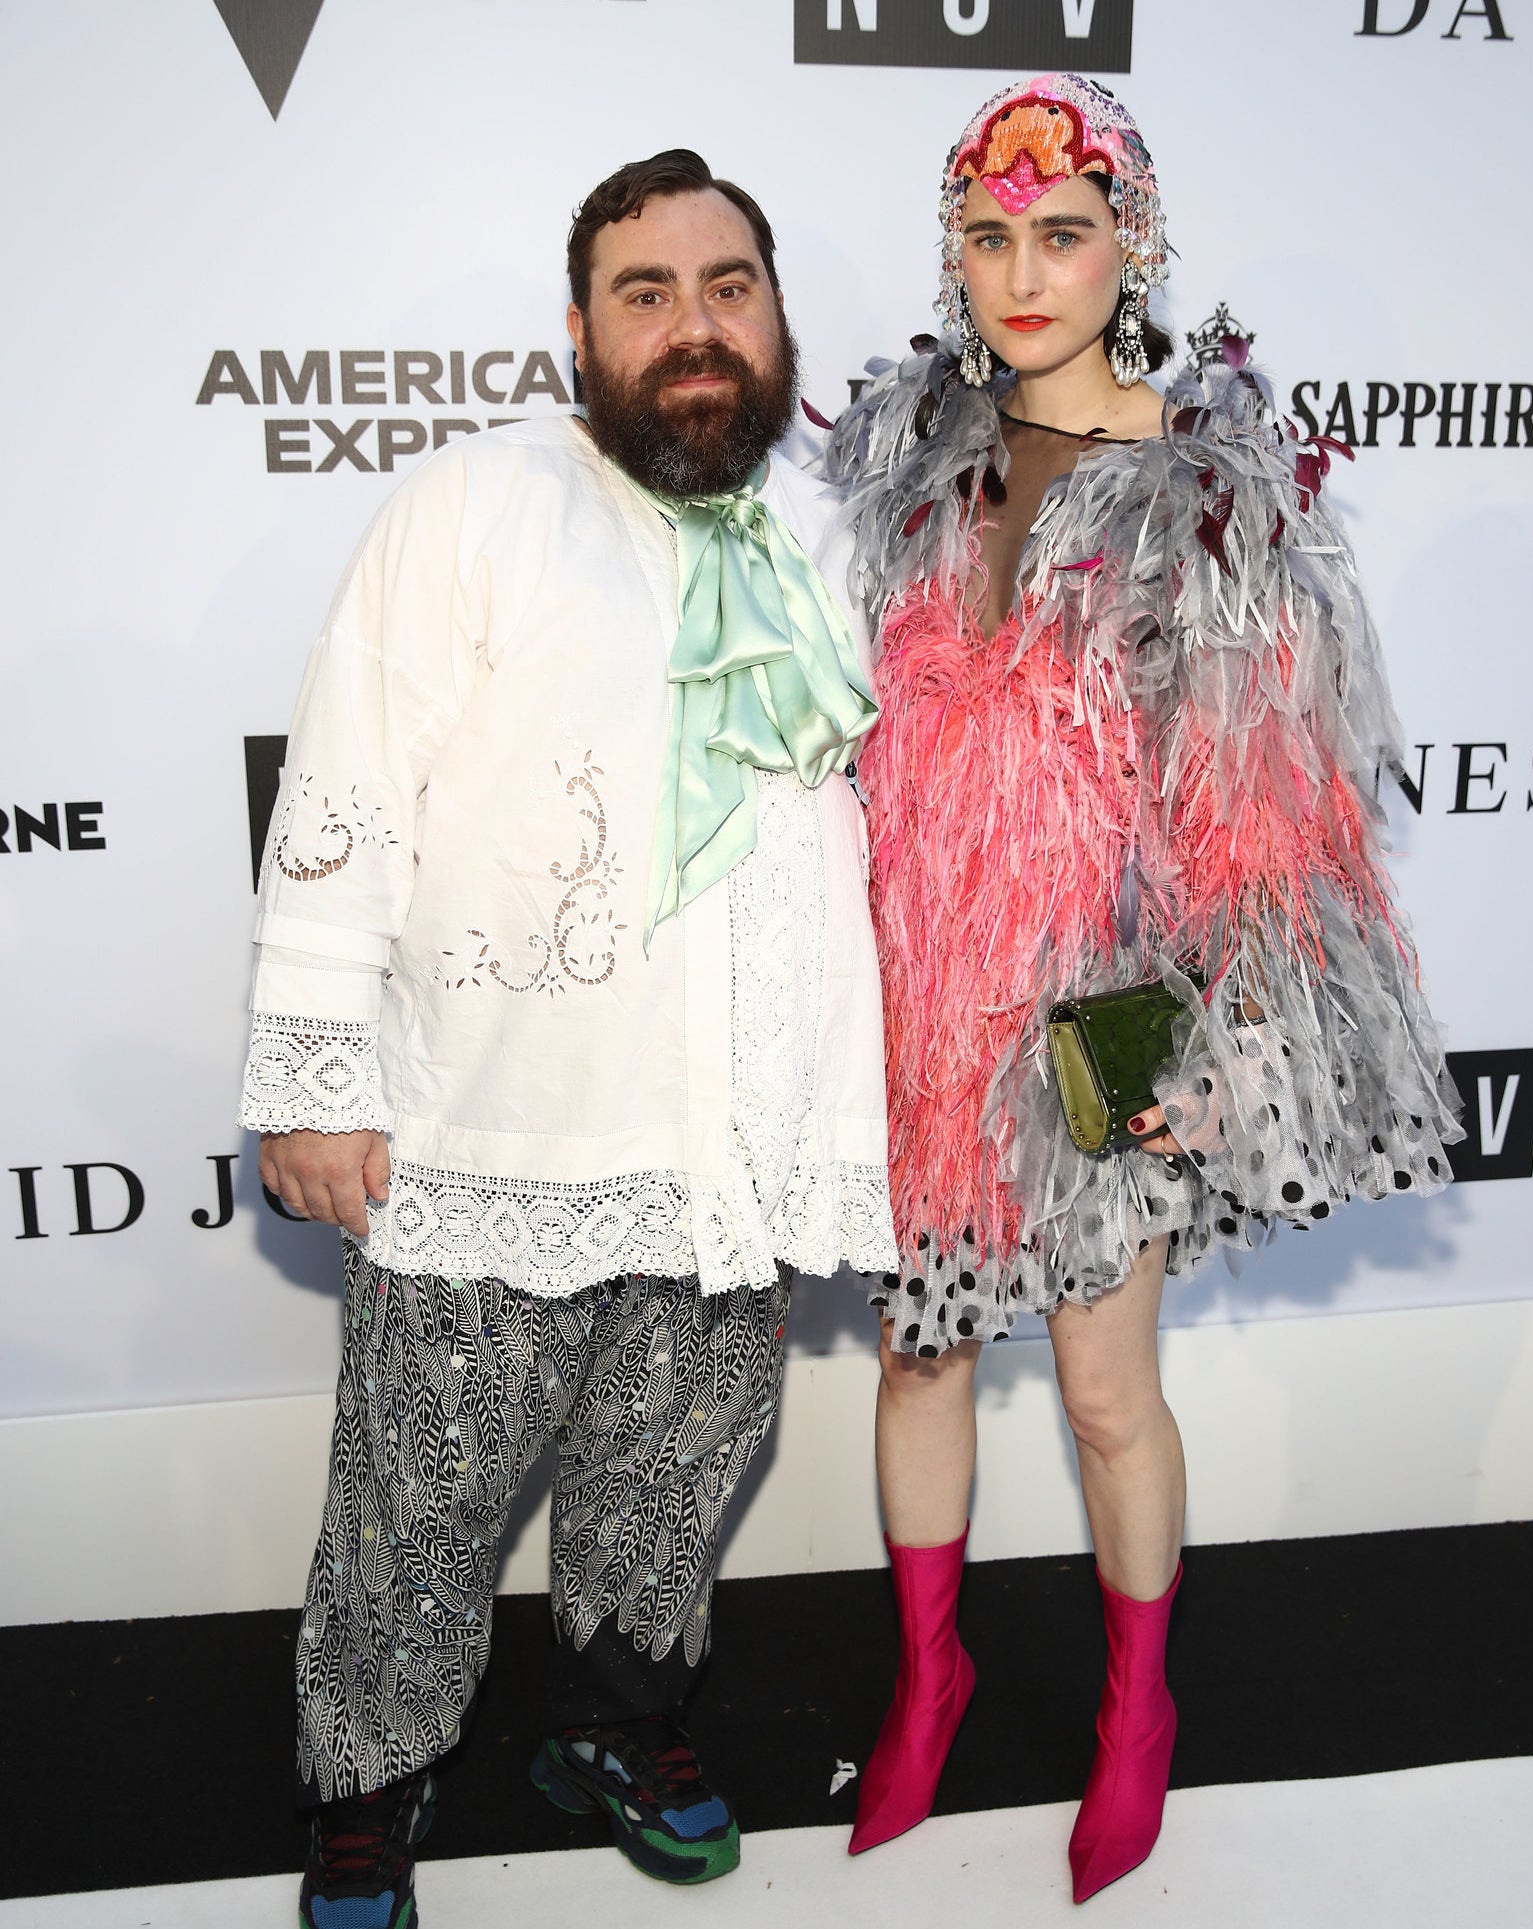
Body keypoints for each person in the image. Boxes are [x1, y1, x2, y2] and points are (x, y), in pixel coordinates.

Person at [825, 74, 1461, 1902]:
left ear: (1136, 245)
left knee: (1108, 1393)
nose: (1024, 273)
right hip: (922, 1005)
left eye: (1065, 232)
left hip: (1096, 1024)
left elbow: (1267, 806)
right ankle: (928, 1678)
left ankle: (1136, 1710)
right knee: (920, 1353)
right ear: (954, 254)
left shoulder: (1206, 491)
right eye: (989, 235)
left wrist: (1229, 1037)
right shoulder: (918, 460)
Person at [239, 149, 895, 1922]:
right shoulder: (473, 506)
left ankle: (615, 1726)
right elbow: (347, 789)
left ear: (777, 313)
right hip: (492, 1125)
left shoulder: (847, 529)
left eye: (728, 286)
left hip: (737, 1145)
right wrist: (313, 1078)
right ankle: (368, 1782)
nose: (695, 325)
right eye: (646, 292)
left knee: (674, 1477)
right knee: (420, 1495)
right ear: (581, 335)